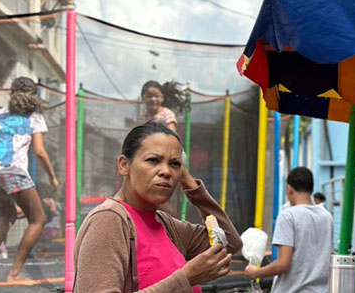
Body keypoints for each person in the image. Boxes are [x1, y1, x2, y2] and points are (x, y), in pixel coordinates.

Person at [74, 122, 242, 292]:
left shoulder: (167, 225)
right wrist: (186, 278)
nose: (166, 171)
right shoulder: (109, 220)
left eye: (175, 164)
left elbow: (229, 242)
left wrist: (191, 185)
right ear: (124, 165)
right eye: (153, 160)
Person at [0, 77, 58, 281]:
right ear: (33, 96)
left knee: (7, 215)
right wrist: (52, 177)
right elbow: (40, 152)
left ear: (11, 94)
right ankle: (15, 272)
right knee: (38, 219)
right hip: (13, 171)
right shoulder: (33, 116)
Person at [245, 167, 333, 293]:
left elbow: (283, 264)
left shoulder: (288, 216)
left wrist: (256, 272)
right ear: (312, 189)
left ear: (289, 189)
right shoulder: (327, 216)